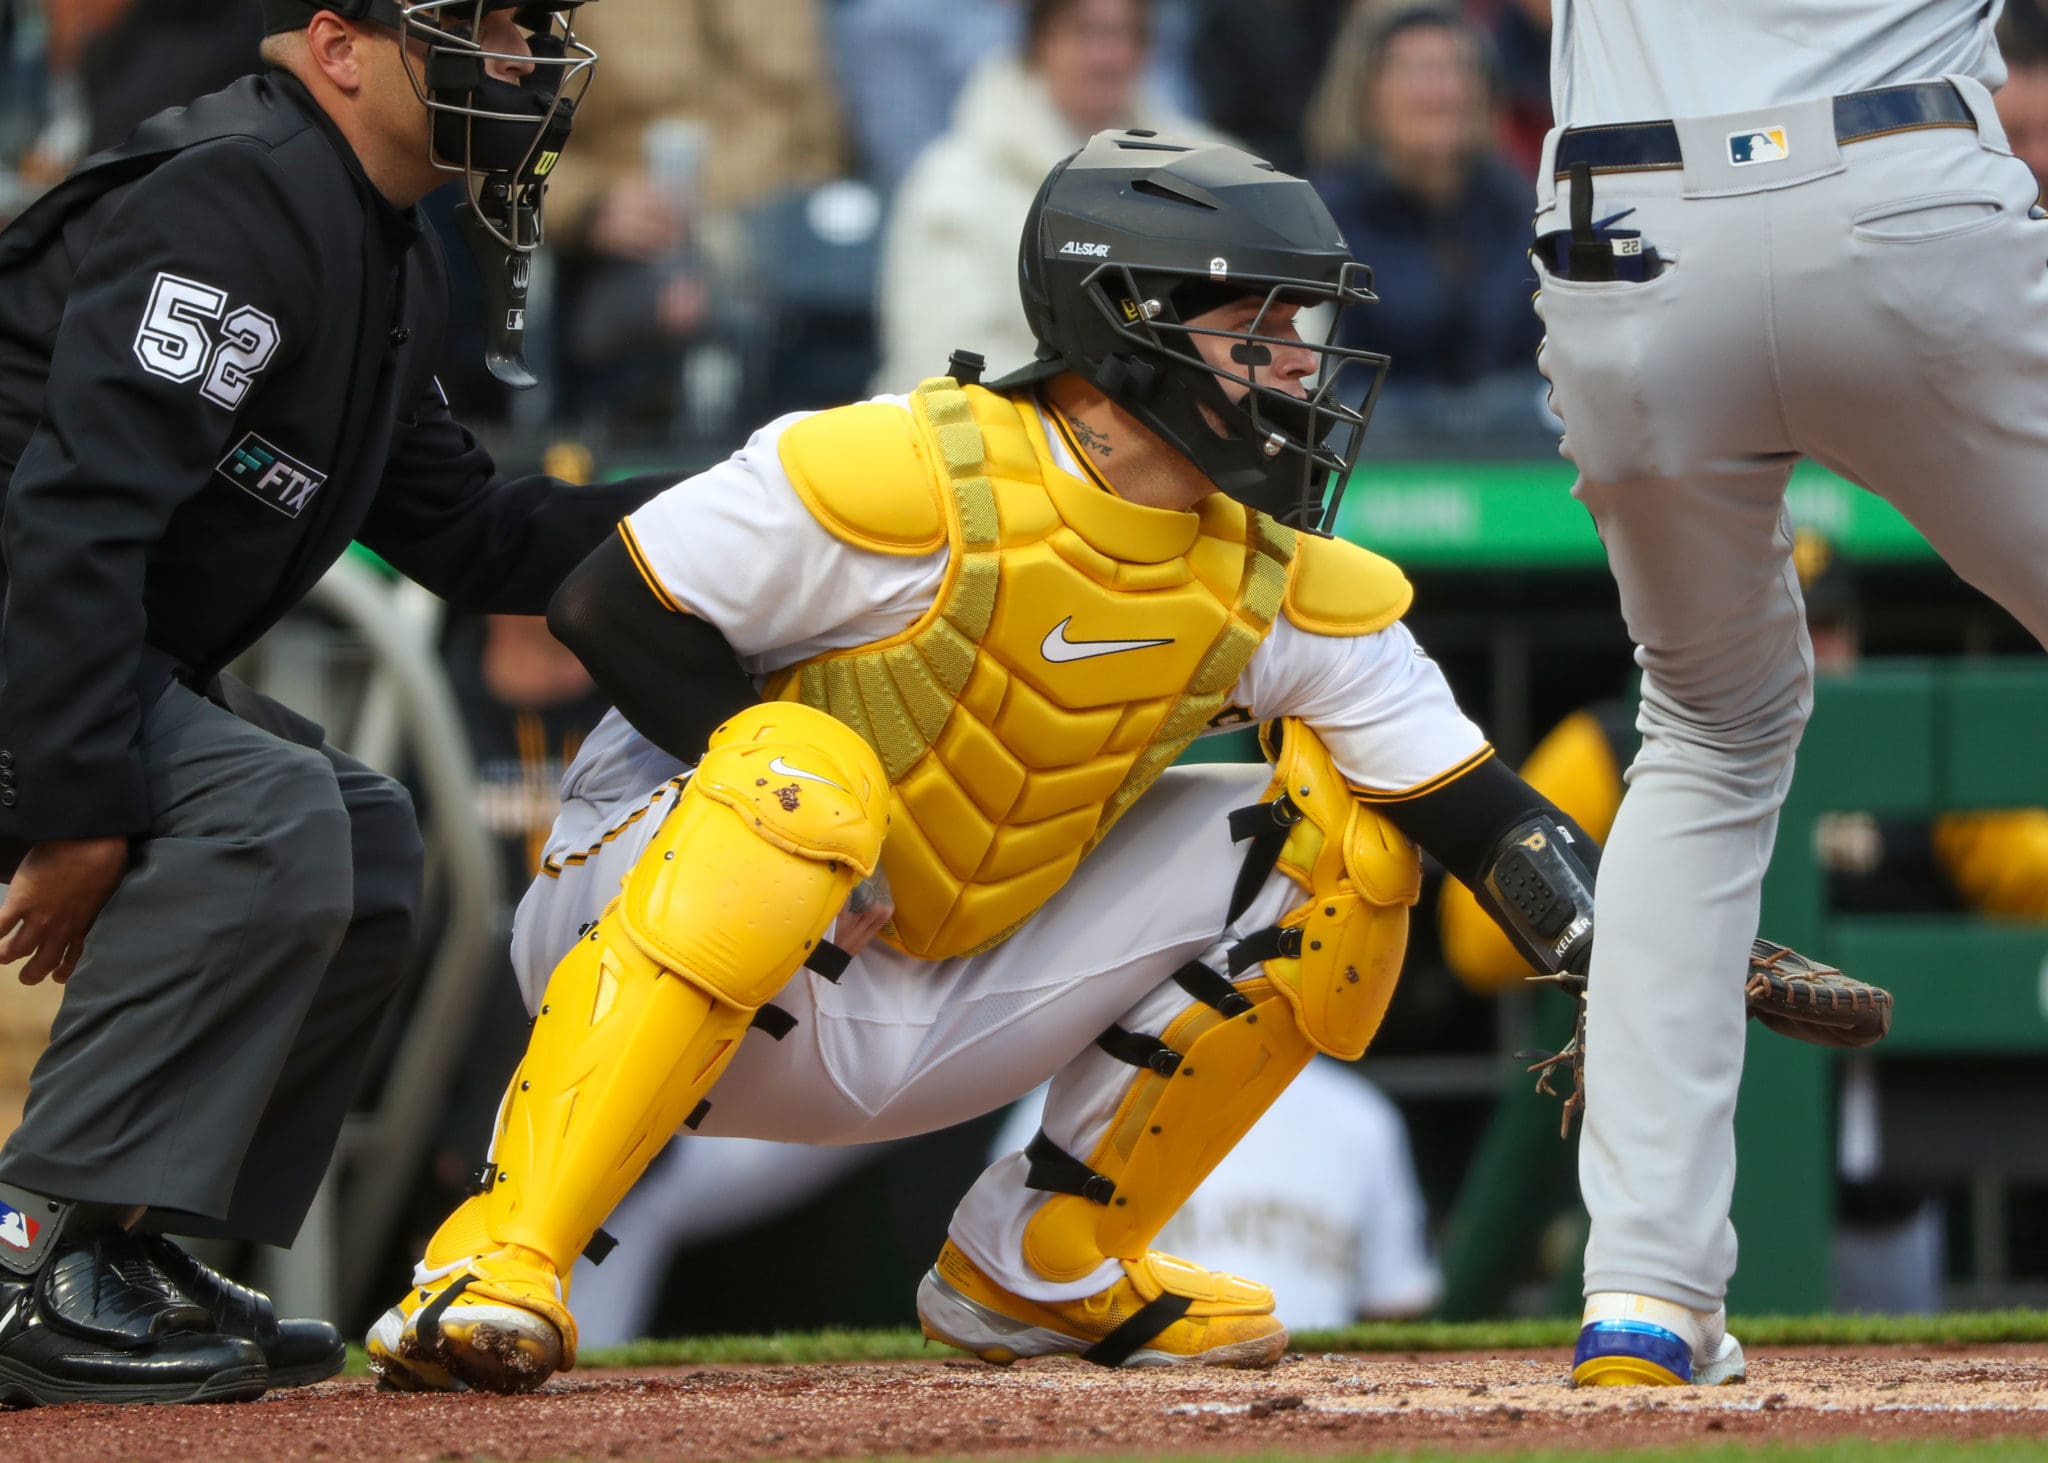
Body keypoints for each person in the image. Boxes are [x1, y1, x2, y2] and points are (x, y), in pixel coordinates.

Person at [366, 131, 1623, 1396]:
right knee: (799, 766)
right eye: (1262, 328)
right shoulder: (895, 468)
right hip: (648, 930)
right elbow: (604, 605)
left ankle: (1044, 1259)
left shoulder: (1267, 578)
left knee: (1336, 840)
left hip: (932, 983)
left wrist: (1636, 953)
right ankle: (502, 1250)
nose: (1300, 364)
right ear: (1132, 326)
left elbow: (1472, 809)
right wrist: (808, 821)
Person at [0, 0, 672, 1409]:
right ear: (339, 45)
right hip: (34, 625)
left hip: (66, 640)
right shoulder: (237, 197)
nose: (523, 66)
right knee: (272, 809)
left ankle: (120, 1245)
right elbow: (70, 520)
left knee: (365, 836)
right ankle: (28, 1256)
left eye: (531, 35)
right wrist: (73, 806)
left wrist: (753, 505)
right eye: (480, 31)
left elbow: (473, 531)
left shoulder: (372, 234)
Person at [1531, 1, 2048, 1388]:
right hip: (1897, 186)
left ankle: (1642, 1291)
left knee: (1703, 728)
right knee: (1708, 723)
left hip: (1621, 221)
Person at [873, 0, 1220, 390]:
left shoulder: (1209, 169)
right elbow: (945, 356)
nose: (1108, 56)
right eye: (1085, 32)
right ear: (1040, 45)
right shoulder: (953, 182)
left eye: (1127, 35)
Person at [991, 1063, 1443, 1328]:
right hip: (1119, 1394)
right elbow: (1002, 1286)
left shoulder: (1359, 1115)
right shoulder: (1061, 1106)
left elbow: (1395, 1301)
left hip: (1308, 1402)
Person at [1303, 0, 1546, 437]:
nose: (1440, 89)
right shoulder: (1323, 220)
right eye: (1414, 70)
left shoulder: (1521, 208)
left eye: (1456, 67)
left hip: (1515, 462)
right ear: (1364, 92)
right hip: (1372, 467)